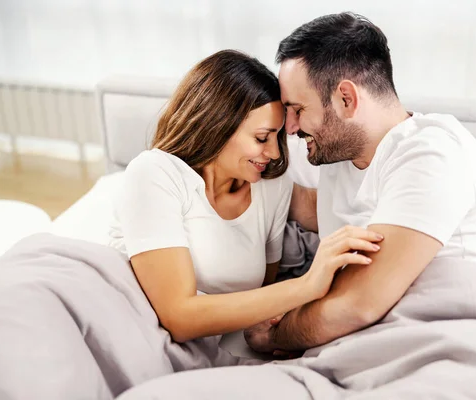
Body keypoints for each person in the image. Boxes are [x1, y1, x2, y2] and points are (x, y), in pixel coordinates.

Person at [244, 12, 476, 354]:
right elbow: (320, 206)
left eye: (297, 109)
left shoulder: (432, 152)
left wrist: (276, 334)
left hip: (451, 334)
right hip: (365, 342)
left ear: (346, 99)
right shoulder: (340, 153)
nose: (291, 128)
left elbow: (359, 303)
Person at [108, 50, 382, 344]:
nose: (275, 153)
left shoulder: (270, 187)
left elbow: (263, 298)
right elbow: (179, 316)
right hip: (143, 338)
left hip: (224, 350)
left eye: (278, 138)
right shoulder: (155, 174)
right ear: (217, 125)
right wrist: (308, 285)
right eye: (262, 138)